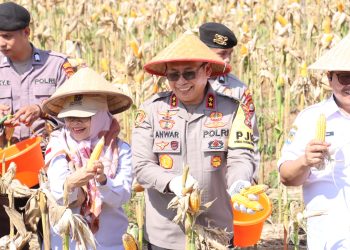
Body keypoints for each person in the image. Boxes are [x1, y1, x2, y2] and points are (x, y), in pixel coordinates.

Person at [132, 31, 256, 249]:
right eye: (173, 76)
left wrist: (240, 182)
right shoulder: (151, 110)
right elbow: (141, 166)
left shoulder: (232, 110)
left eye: (189, 74)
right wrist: (172, 182)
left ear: (207, 70)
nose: (181, 82)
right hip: (167, 236)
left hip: (216, 232)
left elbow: (240, 157)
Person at [43, 67, 133, 250]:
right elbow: (59, 193)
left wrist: (103, 180)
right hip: (67, 242)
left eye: (83, 117)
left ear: (101, 115)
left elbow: (122, 196)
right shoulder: (58, 144)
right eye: (69, 117)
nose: (74, 123)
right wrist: (72, 184)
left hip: (109, 242)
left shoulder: (121, 149)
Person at [278, 34, 350, 249]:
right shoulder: (310, 118)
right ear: (329, 78)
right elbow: (286, 177)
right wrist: (305, 161)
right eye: (345, 77)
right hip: (330, 238)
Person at [0, 1, 74, 147]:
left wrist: (41, 110)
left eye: (7, 36)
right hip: (5, 154)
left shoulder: (56, 65)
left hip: (50, 154)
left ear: (26, 32)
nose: (1, 43)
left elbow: (78, 109)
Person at [199, 22, 260, 183]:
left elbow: (251, 139)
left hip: (227, 179)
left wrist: (251, 180)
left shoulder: (238, 89)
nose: (227, 60)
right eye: (222, 54)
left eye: (230, 54)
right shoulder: (180, 82)